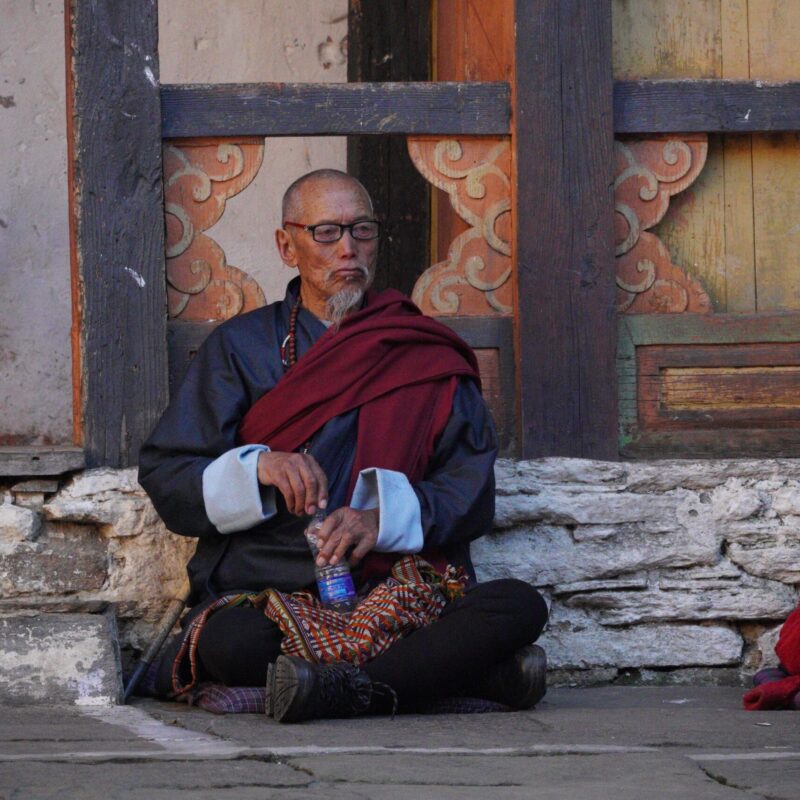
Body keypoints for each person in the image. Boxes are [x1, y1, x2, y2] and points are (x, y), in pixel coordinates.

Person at [138, 169, 548, 722]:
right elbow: (169, 477)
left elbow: (469, 491)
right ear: (288, 245)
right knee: (230, 644)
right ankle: (443, 677)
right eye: (326, 232)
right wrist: (257, 467)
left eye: (362, 231)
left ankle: (335, 688)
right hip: (274, 588)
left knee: (519, 605)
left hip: (396, 588)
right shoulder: (240, 348)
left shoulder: (419, 351)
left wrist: (379, 522)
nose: (348, 249)